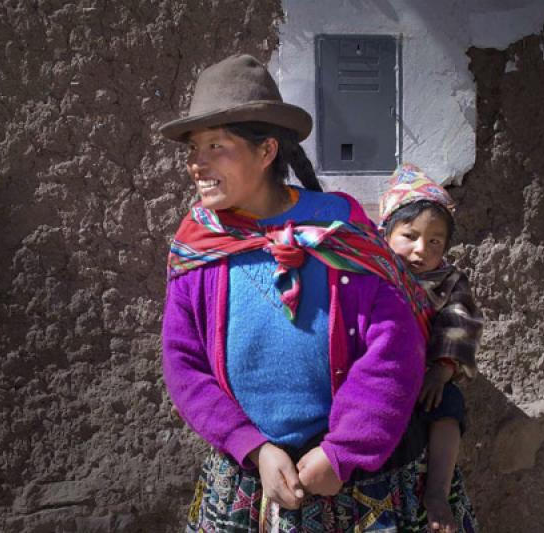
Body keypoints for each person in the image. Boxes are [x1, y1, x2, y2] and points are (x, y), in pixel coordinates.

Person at [160, 54, 432, 531]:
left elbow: (394, 348)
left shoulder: (337, 229)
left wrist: (343, 451)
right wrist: (251, 445)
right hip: (248, 478)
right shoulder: (199, 243)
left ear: (266, 152)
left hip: (348, 485)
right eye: (193, 148)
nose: (196, 164)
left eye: (216, 146)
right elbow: (183, 362)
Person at [378, 163, 484, 532]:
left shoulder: (448, 281)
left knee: (448, 407)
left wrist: (441, 370)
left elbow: (460, 323)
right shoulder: (371, 273)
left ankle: (437, 491)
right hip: (375, 377)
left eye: (435, 241)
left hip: (425, 380)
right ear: (385, 233)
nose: (421, 250)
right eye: (409, 235)